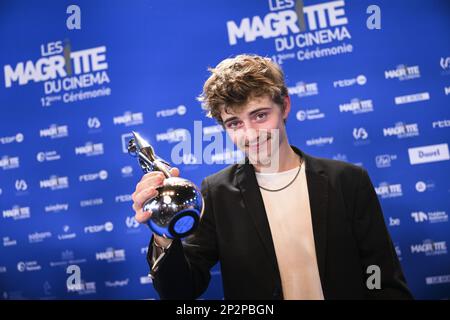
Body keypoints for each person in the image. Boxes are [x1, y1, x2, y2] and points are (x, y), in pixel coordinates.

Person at [132, 54, 413, 300]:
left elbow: (383, 281)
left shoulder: (348, 181)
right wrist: (164, 235)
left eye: (260, 115)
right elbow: (182, 290)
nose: (250, 133)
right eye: (235, 123)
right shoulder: (217, 193)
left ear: (285, 106)